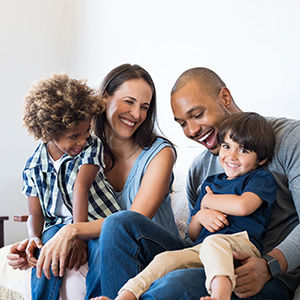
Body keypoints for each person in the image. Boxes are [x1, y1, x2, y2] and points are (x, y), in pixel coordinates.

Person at [97, 67, 300, 300]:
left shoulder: (290, 139)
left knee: (173, 285)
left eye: (197, 114)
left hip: (258, 275)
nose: (192, 130)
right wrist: (200, 217)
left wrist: (269, 266)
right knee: (118, 223)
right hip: (204, 257)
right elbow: (194, 239)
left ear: (225, 98)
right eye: (182, 123)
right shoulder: (200, 168)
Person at [7, 64, 178, 299]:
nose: (137, 114)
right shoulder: (79, 147)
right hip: (104, 243)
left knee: (112, 231)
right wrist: (34, 242)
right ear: (105, 98)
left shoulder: (159, 153)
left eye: (145, 107)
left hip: (151, 249)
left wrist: (73, 231)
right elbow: (54, 205)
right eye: (129, 102)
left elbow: (130, 223)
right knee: (51, 249)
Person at [21, 73, 120, 300]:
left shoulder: (91, 147)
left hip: (97, 221)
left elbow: (80, 187)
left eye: (86, 132)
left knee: (100, 251)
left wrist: (78, 236)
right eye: (74, 136)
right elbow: (34, 213)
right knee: (47, 247)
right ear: (49, 132)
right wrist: (33, 237)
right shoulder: (33, 166)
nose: (82, 140)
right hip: (59, 225)